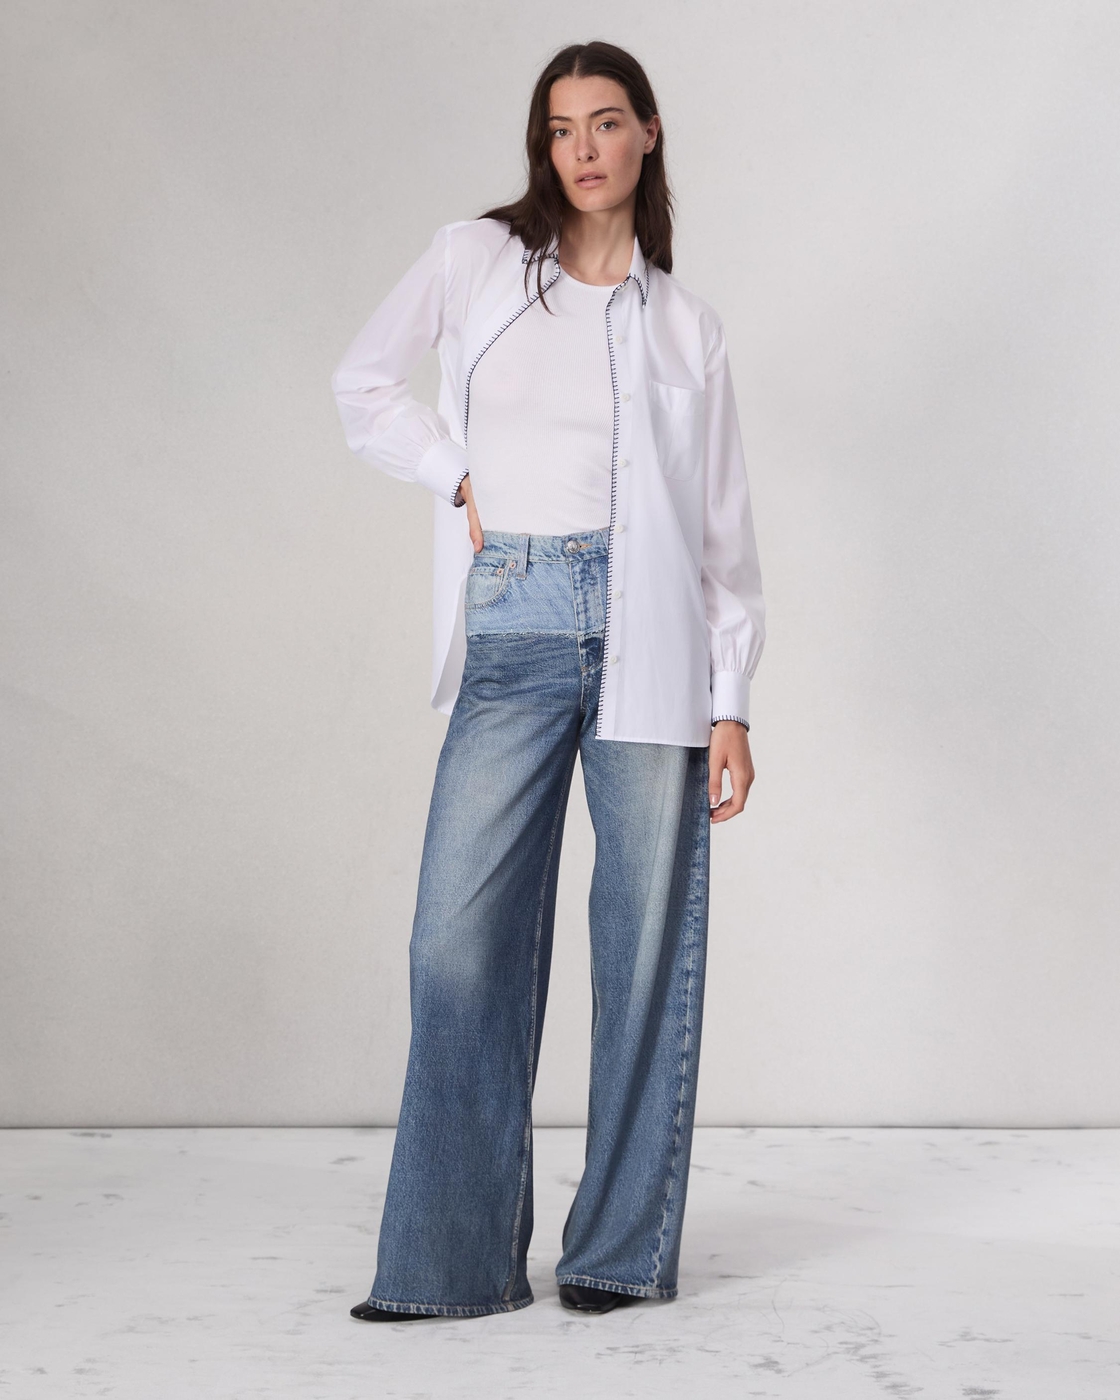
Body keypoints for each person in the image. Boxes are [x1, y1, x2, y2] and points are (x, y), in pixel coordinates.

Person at [330, 39, 764, 1320]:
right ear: (544, 144)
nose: (583, 148)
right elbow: (363, 383)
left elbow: (723, 537)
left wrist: (731, 699)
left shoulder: (686, 327)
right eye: (562, 127)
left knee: (643, 950)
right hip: (515, 613)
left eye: (606, 122)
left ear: (647, 135)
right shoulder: (476, 260)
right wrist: (452, 471)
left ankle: (616, 1252)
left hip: (654, 640)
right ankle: (450, 1262)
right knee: (455, 943)